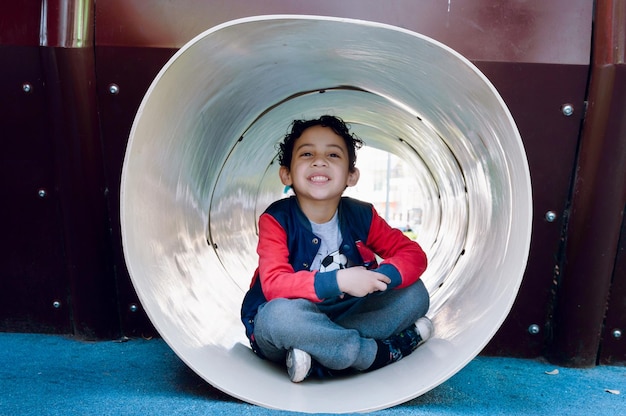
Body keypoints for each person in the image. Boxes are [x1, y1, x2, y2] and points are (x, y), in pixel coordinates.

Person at [240, 115, 432, 383]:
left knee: (415, 294)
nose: (320, 161)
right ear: (286, 173)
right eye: (307, 154)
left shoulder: (361, 215)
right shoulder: (276, 219)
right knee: (278, 317)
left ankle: (320, 355)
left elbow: (412, 254)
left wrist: (381, 277)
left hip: (344, 317)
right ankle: (375, 354)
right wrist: (340, 279)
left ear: (351, 176)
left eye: (333, 154)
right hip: (293, 319)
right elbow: (273, 284)